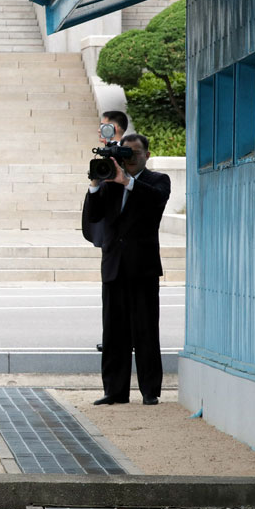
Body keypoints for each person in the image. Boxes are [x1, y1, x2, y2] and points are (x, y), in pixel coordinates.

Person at [84, 133, 170, 406]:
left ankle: (149, 391)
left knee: (145, 330)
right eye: (126, 153)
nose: (130, 158)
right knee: (113, 333)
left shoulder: (157, 181)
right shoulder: (111, 182)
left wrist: (128, 181)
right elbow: (93, 217)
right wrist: (96, 184)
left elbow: (155, 203)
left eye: (135, 153)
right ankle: (114, 391)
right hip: (113, 266)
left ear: (146, 154)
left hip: (142, 267)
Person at [84, 110, 129, 249]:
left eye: (103, 126)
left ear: (115, 128)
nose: (99, 130)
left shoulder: (128, 151)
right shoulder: (105, 152)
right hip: (105, 225)